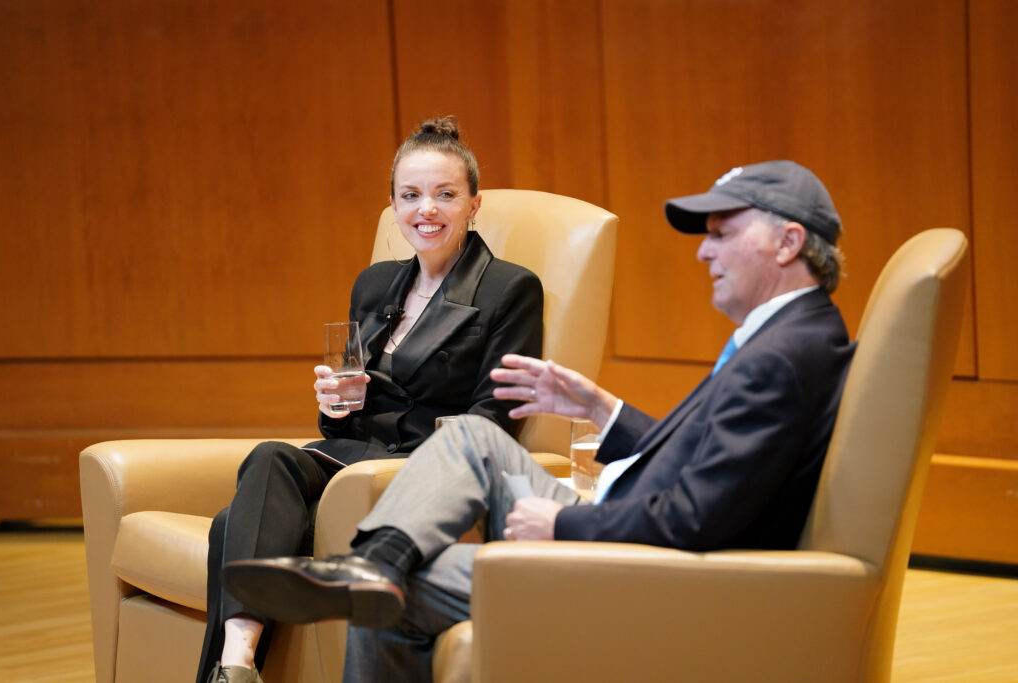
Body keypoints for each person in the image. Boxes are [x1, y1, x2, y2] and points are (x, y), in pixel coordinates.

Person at [221, 160, 856, 682]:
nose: (705, 253)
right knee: (473, 439)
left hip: (652, 569)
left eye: (722, 234)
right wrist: (605, 412)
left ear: (789, 241)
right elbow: (708, 458)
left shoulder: (782, 357)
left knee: (405, 590)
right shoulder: (787, 338)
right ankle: (376, 560)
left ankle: (381, 570)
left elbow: (698, 517)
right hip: (631, 526)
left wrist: (565, 520)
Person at [197, 116, 544, 683]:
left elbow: (494, 420)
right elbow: (342, 422)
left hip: (421, 468)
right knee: (269, 455)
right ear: (392, 205)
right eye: (410, 196)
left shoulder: (510, 288)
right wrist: (336, 403)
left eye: (445, 195)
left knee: (232, 523)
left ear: (474, 204)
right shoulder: (375, 282)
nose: (425, 210)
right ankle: (236, 664)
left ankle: (229, 669)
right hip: (356, 455)